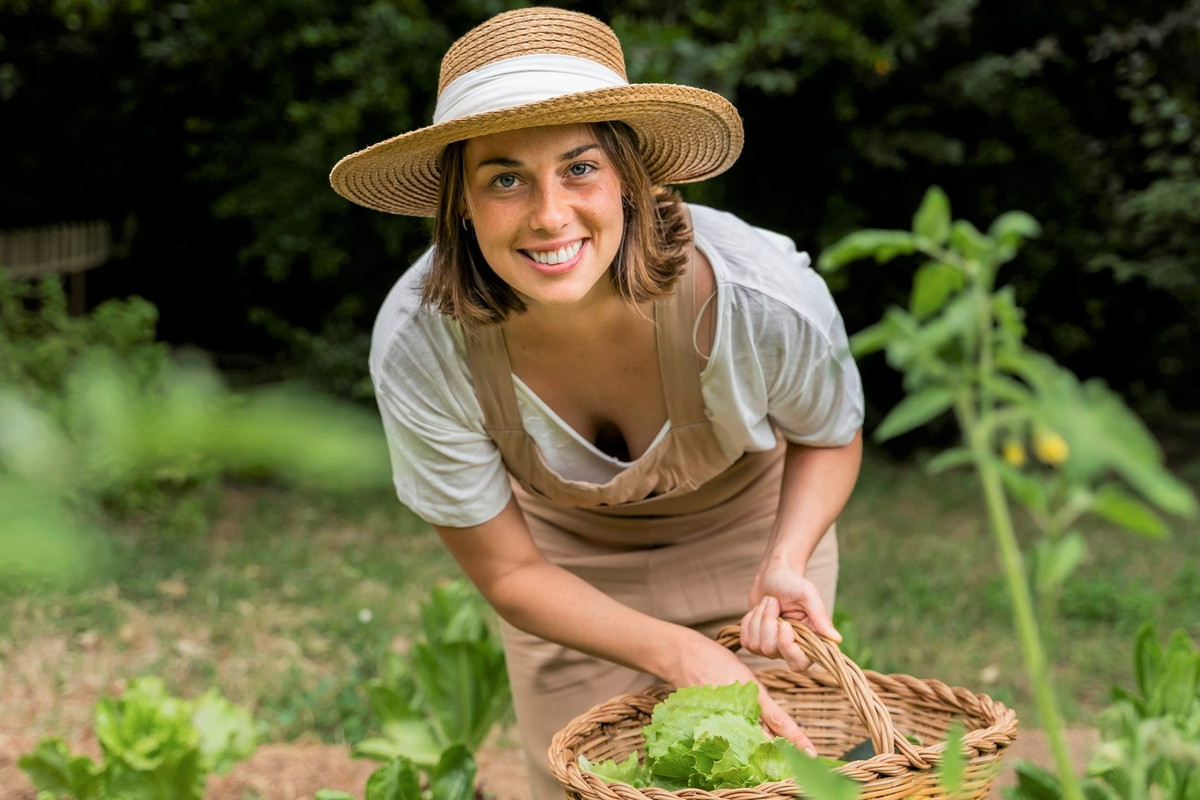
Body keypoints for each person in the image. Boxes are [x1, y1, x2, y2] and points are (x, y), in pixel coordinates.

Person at [329, 7, 864, 799]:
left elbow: (830, 435)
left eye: (580, 168)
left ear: (634, 179)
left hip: (753, 545)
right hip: (566, 579)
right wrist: (680, 654)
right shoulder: (421, 344)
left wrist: (786, 559)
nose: (549, 215)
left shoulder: (755, 299)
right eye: (505, 178)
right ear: (461, 206)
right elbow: (509, 570)